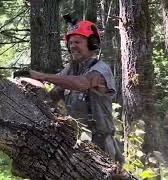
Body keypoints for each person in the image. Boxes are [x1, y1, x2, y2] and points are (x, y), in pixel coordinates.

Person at [15, 20, 124, 163]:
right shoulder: (71, 69)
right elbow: (54, 94)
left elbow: (80, 83)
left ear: (93, 44)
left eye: (77, 42)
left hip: (100, 144)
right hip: (77, 143)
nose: (72, 46)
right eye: (70, 43)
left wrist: (41, 75)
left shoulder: (101, 69)